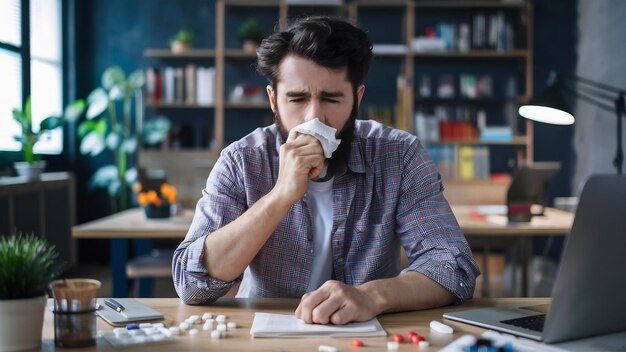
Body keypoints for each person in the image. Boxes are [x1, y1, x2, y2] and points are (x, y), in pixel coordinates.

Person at [173, 16, 479, 325]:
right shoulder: (242, 160)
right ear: (273, 101)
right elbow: (191, 283)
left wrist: (372, 296)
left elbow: (453, 266)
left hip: (366, 335)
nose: (313, 117)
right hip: (266, 336)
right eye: (297, 98)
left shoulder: (399, 156)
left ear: (356, 99)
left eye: (331, 98)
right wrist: (280, 196)